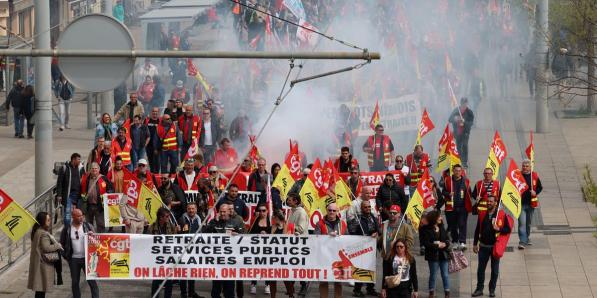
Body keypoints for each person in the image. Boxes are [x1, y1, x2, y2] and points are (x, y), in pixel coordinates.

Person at [202, 204, 244, 298]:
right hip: (217, 261)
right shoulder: (214, 221)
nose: (222, 213)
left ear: (229, 211)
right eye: (220, 211)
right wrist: (214, 222)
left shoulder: (235, 222)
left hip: (230, 262)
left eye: (224, 211)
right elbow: (204, 234)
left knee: (229, 290)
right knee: (215, 291)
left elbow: (244, 238)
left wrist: (237, 235)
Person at [472, 196, 510, 297]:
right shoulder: (482, 213)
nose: (489, 203)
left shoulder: (501, 214)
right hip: (483, 246)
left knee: (495, 270)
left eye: (491, 201)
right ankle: (479, 289)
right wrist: (475, 244)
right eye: (487, 201)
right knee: (480, 269)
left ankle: (491, 290)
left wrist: (498, 229)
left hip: (495, 247)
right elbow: (477, 229)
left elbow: (508, 229)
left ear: (495, 203)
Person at [59, 209, 99, 298]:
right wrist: (66, 256)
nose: (81, 218)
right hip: (74, 260)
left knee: (92, 281)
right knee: (75, 282)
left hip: (87, 259)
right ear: (73, 217)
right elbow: (61, 243)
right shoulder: (67, 229)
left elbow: (97, 241)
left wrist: (92, 236)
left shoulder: (88, 226)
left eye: (82, 215)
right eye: (78, 216)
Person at [28, 212, 63, 298]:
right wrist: (57, 245)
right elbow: (46, 248)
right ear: (42, 221)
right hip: (43, 265)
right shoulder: (43, 234)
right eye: (48, 220)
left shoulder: (36, 231)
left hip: (38, 263)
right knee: (41, 291)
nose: (50, 221)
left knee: (39, 291)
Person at [314, 203, 346, 298]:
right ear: (326, 211)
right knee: (324, 282)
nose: (331, 212)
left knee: (338, 283)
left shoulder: (342, 224)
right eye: (330, 210)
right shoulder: (319, 224)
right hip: (324, 257)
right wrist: (327, 237)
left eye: (334, 210)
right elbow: (316, 239)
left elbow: (348, 239)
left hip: (338, 258)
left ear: (337, 212)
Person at [349, 200, 379, 297]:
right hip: (361, 248)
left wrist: (377, 233)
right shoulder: (357, 219)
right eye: (365, 207)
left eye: (369, 207)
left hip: (372, 247)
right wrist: (362, 236)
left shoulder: (373, 217)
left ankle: (370, 288)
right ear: (361, 208)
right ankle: (357, 290)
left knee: (371, 267)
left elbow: (378, 230)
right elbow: (351, 231)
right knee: (361, 268)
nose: (368, 209)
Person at [439, 164, 472, 250]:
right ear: (453, 171)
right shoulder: (447, 180)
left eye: (459, 171)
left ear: (461, 172)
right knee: (452, 226)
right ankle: (455, 241)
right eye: (456, 170)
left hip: (462, 207)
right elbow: (443, 192)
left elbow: (469, 193)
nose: (457, 172)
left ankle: (462, 242)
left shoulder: (466, 181)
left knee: (462, 224)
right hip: (451, 208)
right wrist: (448, 194)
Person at [420, 210, 451, 298]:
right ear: (434, 218)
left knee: (445, 274)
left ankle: (447, 293)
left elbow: (447, 239)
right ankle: (431, 293)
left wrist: (446, 244)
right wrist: (437, 245)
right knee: (433, 274)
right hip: (433, 255)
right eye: (439, 217)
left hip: (443, 254)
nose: (441, 218)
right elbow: (425, 243)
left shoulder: (441, 227)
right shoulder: (425, 229)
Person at [148, 208, 176, 298]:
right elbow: (147, 241)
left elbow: (175, 238)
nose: (169, 218)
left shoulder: (170, 225)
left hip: (168, 256)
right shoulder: (152, 227)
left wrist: (177, 230)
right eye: (167, 216)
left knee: (169, 280)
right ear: (161, 217)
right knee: (156, 279)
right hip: (157, 257)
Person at [268, 211, 296, 298]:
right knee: (272, 278)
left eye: (273, 217)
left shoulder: (290, 226)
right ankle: (273, 296)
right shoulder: (273, 227)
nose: (272, 219)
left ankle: (291, 295)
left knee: (286, 277)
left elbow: (291, 240)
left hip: (285, 255)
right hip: (274, 255)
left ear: (277, 218)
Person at [178, 202, 203, 298]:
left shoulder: (199, 219)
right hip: (183, 250)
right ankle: (184, 293)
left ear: (196, 209)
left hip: (194, 250)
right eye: (189, 209)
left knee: (192, 272)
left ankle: (192, 293)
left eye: (193, 209)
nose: (191, 210)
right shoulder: (182, 219)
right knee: (183, 273)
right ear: (187, 209)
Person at [81, 162, 114, 232]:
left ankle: (101, 240)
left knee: (101, 225)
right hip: (88, 205)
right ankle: (91, 241)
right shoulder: (86, 179)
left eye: (96, 168)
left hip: (100, 206)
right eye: (92, 168)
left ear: (99, 169)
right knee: (88, 225)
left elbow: (111, 188)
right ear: (90, 170)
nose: (94, 170)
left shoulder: (104, 178)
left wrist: (108, 194)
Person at [518, 159, 542, 249]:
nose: (525, 167)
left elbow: (540, 187)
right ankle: (522, 241)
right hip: (521, 204)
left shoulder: (534, 176)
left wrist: (535, 192)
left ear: (530, 167)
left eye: (527, 166)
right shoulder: (518, 175)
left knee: (528, 223)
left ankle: (527, 237)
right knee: (522, 223)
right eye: (523, 166)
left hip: (531, 204)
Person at [56, 153, 85, 226]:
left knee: (79, 215)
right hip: (68, 195)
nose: (79, 161)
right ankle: (67, 230)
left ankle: (78, 228)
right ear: (73, 160)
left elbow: (84, 180)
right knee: (68, 215)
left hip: (79, 195)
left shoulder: (81, 168)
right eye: (78, 159)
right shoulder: (65, 168)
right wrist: (59, 195)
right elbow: (59, 183)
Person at [249, 203, 272, 295]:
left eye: (264, 210)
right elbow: (249, 233)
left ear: (267, 211)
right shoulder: (254, 220)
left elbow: (275, 234)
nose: (262, 213)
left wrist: (267, 234)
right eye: (260, 211)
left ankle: (267, 284)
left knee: (267, 267)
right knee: (255, 266)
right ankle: (253, 284)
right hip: (256, 248)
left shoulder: (271, 221)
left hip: (267, 248)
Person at [448, 98, 474, 167]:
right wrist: (455, 119)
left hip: (465, 132)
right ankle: (458, 160)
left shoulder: (469, 112)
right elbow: (450, 119)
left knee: (465, 146)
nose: (464, 105)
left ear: (467, 103)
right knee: (458, 147)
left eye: (465, 103)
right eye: (463, 103)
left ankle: (464, 162)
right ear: (460, 103)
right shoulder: (456, 110)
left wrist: (464, 122)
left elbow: (471, 123)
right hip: (457, 132)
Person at [145, 107, 162, 172]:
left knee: (157, 161)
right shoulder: (147, 120)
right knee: (150, 161)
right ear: (151, 112)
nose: (155, 113)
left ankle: (157, 174)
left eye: (156, 111)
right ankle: (152, 174)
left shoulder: (160, 121)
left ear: (158, 113)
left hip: (157, 146)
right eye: (153, 111)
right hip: (148, 145)